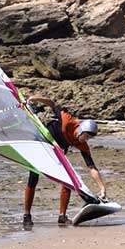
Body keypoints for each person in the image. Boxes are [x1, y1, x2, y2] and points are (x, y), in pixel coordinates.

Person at [22, 96, 109, 225]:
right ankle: (27, 215)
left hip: (57, 152)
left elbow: (91, 167)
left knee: (67, 181)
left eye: (89, 138)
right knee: (33, 178)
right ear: (81, 130)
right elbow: (53, 103)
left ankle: (62, 216)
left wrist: (102, 188)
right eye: (86, 136)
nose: (86, 140)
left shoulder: (82, 144)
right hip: (41, 145)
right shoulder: (67, 120)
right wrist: (36, 99)